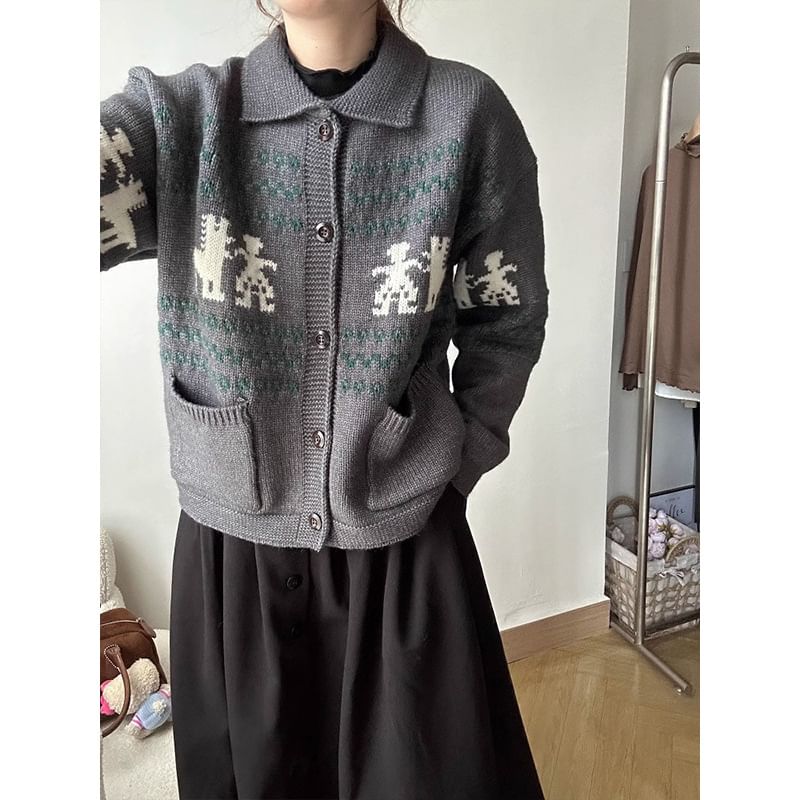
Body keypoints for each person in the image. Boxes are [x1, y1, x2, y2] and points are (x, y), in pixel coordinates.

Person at [100, 1, 549, 797]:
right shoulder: (183, 120)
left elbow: (506, 318)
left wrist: (460, 462)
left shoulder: (465, 118)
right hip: (230, 562)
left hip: (405, 544)